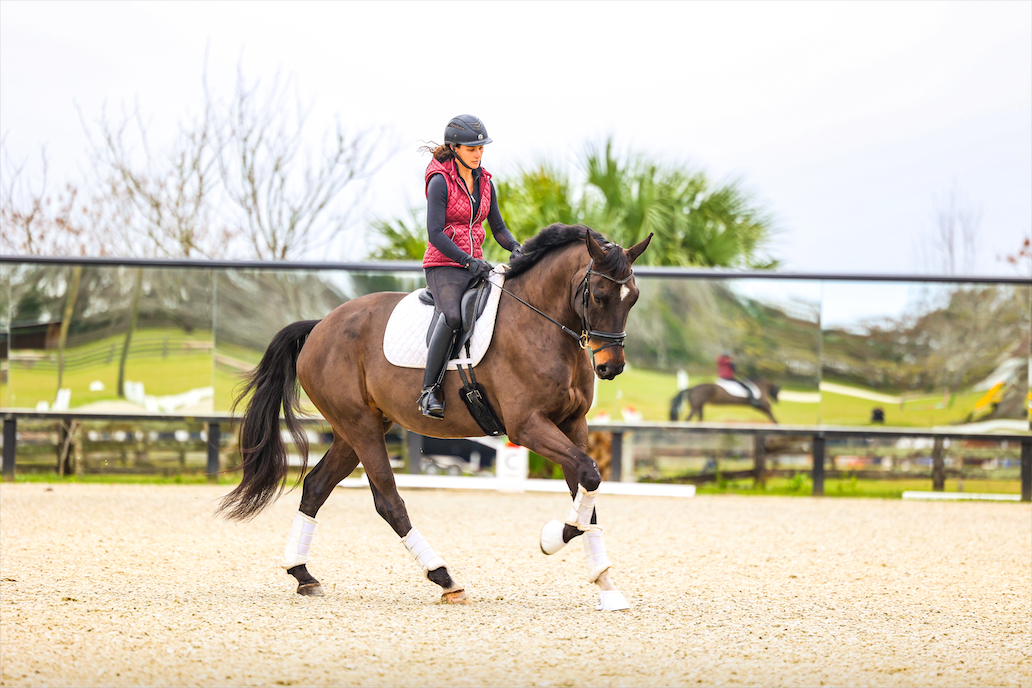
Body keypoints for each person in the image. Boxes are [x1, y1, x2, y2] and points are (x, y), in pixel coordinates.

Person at [417, 114, 521, 419]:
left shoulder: (485, 182)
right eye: (472, 149)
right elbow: (435, 234)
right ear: (454, 148)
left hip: (475, 266)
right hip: (443, 265)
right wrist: (466, 260)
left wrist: (516, 246)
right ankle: (429, 391)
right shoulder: (440, 181)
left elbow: (498, 227)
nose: (478, 154)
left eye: (481, 148)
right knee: (452, 316)